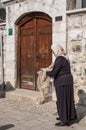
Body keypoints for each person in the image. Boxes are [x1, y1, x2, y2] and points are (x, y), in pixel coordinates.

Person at [46, 44, 77, 126]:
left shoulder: (59, 59)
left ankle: (65, 120)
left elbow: (54, 72)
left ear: (56, 50)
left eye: (53, 51)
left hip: (62, 82)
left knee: (62, 100)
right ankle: (68, 116)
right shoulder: (65, 57)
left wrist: (46, 73)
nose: (52, 53)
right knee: (67, 99)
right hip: (67, 81)